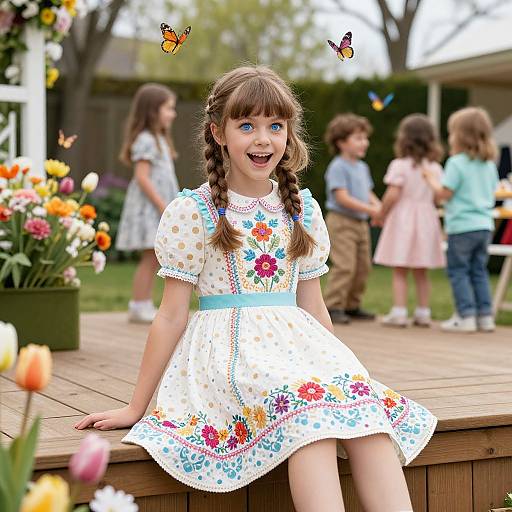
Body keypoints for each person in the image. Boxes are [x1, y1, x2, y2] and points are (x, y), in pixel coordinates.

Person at [74, 66, 436, 512]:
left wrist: (342, 375)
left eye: (275, 126)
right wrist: (135, 406)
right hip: (228, 356)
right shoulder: (196, 211)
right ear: (218, 133)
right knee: (310, 423)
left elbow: (314, 307)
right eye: (246, 125)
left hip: (298, 351)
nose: (262, 139)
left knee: (366, 419)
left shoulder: (301, 209)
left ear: (289, 133)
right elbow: (170, 314)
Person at [424, 107, 499, 332]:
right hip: (485, 226)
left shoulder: (456, 163)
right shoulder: (489, 164)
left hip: (462, 227)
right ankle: (486, 316)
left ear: (460, 135)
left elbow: (444, 193)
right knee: (479, 271)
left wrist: (430, 180)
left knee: (458, 271)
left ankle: (465, 316)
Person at [116, 83, 180, 323]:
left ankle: (142, 303)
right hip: (149, 209)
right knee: (151, 256)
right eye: (168, 108)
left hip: (156, 207)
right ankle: (139, 304)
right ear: (153, 110)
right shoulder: (146, 140)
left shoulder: (159, 139)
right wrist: (163, 206)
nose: (172, 114)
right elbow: (142, 177)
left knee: (154, 256)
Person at [374, 114, 445, 327]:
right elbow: (435, 197)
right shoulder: (435, 168)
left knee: (400, 268)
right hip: (426, 219)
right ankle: (423, 312)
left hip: (403, 219)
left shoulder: (400, 165)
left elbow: (393, 194)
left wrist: (381, 213)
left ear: (404, 139)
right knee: (421, 270)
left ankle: (399, 312)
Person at [323, 113, 381, 324]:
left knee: (363, 266)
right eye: (358, 138)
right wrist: (370, 209)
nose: (364, 142)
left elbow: (368, 192)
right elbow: (342, 197)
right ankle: (333, 306)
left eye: (365, 138)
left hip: (360, 223)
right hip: (342, 222)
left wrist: (379, 208)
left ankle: (352, 305)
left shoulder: (362, 167)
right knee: (345, 265)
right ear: (341, 142)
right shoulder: (338, 166)